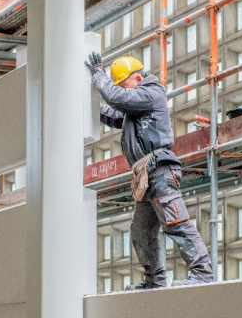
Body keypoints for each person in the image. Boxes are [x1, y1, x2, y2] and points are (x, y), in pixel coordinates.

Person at [86, 53, 213, 289]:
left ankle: (203, 274)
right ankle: (154, 280)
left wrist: (99, 75)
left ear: (137, 78)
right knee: (141, 231)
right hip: (146, 175)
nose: (124, 91)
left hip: (160, 171)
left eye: (125, 85)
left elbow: (118, 99)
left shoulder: (151, 93)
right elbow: (116, 114)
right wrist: (88, 104)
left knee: (175, 222)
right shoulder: (137, 103)